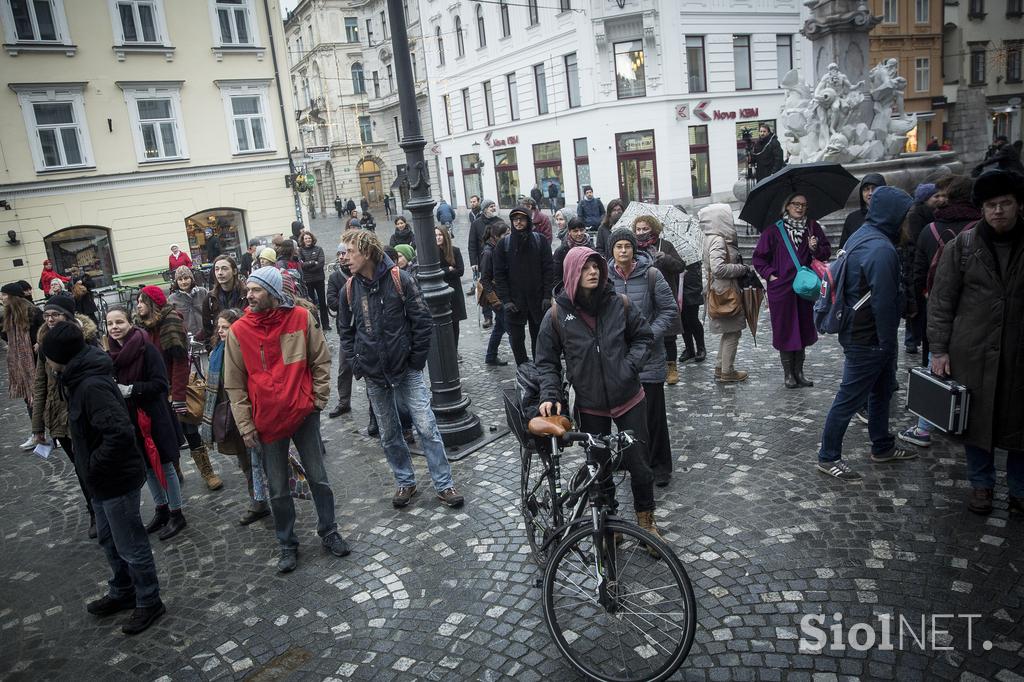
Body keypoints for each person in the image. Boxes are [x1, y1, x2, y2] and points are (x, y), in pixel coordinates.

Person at [41, 321, 165, 635]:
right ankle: (123, 590)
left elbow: (118, 433)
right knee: (110, 541)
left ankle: (149, 600)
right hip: (98, 481)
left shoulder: (91, 385)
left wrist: (94, 465)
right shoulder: (76, 377)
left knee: (130, 543)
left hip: (114, 478)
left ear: (61, 357)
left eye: (48, 356)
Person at [224, 266, 350, 573]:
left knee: (319, 478)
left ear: (273, 291)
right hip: (266, 423)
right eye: (248, 290)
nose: (248, 295)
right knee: (278, 489)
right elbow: (235, 384)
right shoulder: (239, 331)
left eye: (255, 290)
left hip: (302, 415)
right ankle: (286, 544)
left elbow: (320, 360)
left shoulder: (300, 319)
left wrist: (317, 400)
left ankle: (329, 530)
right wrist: (245, 425)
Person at [535, 247, 662, 539]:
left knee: (639, 465)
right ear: (571, 273)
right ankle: (610, 520)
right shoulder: (556, 315)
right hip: (591, 406)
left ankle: (646, 521)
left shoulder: (621, 304)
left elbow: (643, 336)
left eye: (596, 266)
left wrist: (629, 365)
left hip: (629, 398)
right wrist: (550, 393)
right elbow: (546, 360)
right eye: (585, 268)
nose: (593, 272)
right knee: (599, 468)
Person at [338, 230, 465, 510]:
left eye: (350, 251)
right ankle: (405, 481)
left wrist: (415, 361)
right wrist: (359, 364)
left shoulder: (401, 279)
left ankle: (444, 485)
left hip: (406, 370)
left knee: (426, 427)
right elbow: (345, 333)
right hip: (374, 374)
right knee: (388, 432)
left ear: (367, 251)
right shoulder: (348, 288)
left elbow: (422, 321)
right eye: (344, 252)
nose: (345, 257)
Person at [927, 170, 1024, 514]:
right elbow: (941, 300)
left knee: (1019, 426)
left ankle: (1019, 490)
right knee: (976, 422)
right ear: (981, 209)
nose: (998, 211)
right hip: (973, 350)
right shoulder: (963, 246)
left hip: (1017, 350)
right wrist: (938, 350)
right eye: (991, 205)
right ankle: (981, 485)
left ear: (1017, 205)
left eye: (1005, 204)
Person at [816, 186, 918, 481]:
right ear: (894, 217)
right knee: (849, 398)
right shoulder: (881, 250)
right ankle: (828, 456)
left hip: (860, 331)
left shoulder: (863, 234)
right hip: (869, 337)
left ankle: (882, 446)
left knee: (881, 392)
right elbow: (884, 303)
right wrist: (887, 344)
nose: (909, 224)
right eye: (906, 217)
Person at [898, 175, 980, 448]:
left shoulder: (929, 230)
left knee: (935, 363)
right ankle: (970, 423)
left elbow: (918, 274)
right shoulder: (980, 229)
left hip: (936, 308)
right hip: (977, 313)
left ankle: (924, 427)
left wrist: (920, 303)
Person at [106, 305, 190, 540]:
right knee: (146, 466)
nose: (115, 328)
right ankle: (161, 508)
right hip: (132, 420)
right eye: (110, 323)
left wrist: (131, 389)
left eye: (119, 322)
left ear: (129, 322)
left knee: (164, 464)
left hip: (155, 416)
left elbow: (161, 384)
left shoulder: (146, 348)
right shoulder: (111, 353)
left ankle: (177, 513)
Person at [607, 228, 677, 487]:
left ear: (633, 249)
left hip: (649, 356)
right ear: (612, 250)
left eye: (627, 246)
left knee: (653, 415)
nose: (623, 251)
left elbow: (669, 310)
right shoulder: (606, 277)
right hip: (620, 359)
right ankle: (632, 458)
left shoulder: (651, 275)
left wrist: (648, 334)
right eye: (618, 246)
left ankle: (660, 465)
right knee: (625, 414)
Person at [136, 285, 223, 491]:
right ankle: (175, 470)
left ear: (152, 304)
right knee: (165, 432)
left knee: (190, 430)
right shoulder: (143, 326)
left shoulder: (171, 322)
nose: (138, 305)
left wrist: (178, 395)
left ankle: (207, 471)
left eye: (142, 301)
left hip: (175, 386)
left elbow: (179, 362)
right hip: (155, 388)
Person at [31, 294, 97, 537]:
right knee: (79, 467)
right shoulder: (43, 342)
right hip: (59, 416)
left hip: (85, 412)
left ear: (67, 316)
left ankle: (106, 507)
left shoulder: (85, 339)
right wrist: (37, 424)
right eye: (46, 315)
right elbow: (39, 383)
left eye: (54, 315)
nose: (49, 319)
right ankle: (94, 512)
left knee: (93, 463)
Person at [752, 193, 831, 388]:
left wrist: (815, 248)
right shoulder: (773, 231)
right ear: (786, 206)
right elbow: (759, 258)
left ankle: (799, 372)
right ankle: (788, 374)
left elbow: (825, 252)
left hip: (804, 289)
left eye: (803, 205)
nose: (799, 208)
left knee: (803, 328)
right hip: (782, 290)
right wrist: (771, 276)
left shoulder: (812, 228)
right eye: (795, 204)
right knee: (785, 329)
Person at [204, 308, 270, 525]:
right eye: (219, 328)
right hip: (230, 416)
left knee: (264, 461)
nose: (221, 331)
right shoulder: (216, 353)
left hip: (250, 413)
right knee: (246, 463)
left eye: (226, 327)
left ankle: (272, 499)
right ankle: (258, 502)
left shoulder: (246, 348)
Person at [492, 206, 554, 365]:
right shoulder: (503, 245)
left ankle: (540, 368)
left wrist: (547, 295)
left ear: (528, 220)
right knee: (517, 339)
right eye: (515, 219)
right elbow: (499, 275)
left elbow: (548, 269)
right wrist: (506, 300)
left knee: (539, 337)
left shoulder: (540, 241)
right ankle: (523, 368)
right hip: (515, 301)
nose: (518, 222)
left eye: (522, 219)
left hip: (538, 299)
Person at [632, 215, 690, 384]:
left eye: (645, 229)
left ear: (654, 229)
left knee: (669, 336)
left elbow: (680, 266)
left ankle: (671, 367)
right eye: (638, 229)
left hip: (664, 296)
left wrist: (665, 258)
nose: (641, 232)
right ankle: (649, 367)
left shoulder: (665, 245)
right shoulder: (634, 247)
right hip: (643, 297)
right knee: (647, 334)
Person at [701, 204, 753, 383]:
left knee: (729, 331)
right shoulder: (717, 240)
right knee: (733, 332)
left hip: (721, 289)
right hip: (726, 292)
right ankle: (727, 371)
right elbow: (718, 268)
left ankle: (719, 367)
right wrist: (741, 268)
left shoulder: (711, 238)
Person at [901, 182, 943, 354]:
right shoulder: (916, 215)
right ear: (926, 199)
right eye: (936, 196)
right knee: (915, 305)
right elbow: (915, 243)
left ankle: (916, 339)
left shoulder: (935, 213)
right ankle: (912, 340)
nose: (940, 199)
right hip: (915, 264)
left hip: (924, 263)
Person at [2, 281, 43, 449]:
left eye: (4, 295)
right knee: (30, 399)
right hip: (22, 365)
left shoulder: (32, 311)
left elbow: (44, 330)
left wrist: (40, 342)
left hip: (37, 361)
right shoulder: (8, 315)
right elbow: (5, 335)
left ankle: (50, 433)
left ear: (13, 297)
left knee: (41, 398)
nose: (2, 298)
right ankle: (37, 434)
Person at [325, 244, 354, 418]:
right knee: (344, 368)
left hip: (364, 328)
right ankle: (344, 402)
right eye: (340, 254)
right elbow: (332, 302)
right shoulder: (336, 277)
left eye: (345, 253)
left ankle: (374, 407)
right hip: (345, 330)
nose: (342, 257)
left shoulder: (361, 271)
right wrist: (350, 297)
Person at [479, 220, 510, 366]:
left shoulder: (500, 247)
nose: (509, 237)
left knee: (500, 327)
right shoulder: (488, 252)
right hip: (496, 297)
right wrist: (494, 300)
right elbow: (485, 279)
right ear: (497, 236)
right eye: (506, 234)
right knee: (511, 328)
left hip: (502, 294)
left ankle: (490, 356)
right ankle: (522, 359)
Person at [468, 199, 501, 326]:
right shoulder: (476, 224)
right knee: (484, 288)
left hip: (498, 260)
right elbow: (472, 244)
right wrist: (473, 262)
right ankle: (487, 316)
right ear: (485, 209)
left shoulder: (499, 221)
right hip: (483, 261)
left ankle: (500, 313)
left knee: (498, 287)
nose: (493, 208)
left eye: (494, 206)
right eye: (491, 206)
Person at [435, 227, 467, 356]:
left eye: (440, 235)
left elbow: (460, 271)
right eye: (435, 235)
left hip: (454, 291)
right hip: (438, 291)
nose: (437, 237)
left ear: (445, 236)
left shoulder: (455, 251)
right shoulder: (431, 253)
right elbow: (433, 272)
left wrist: (444, 271)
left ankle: (455, 349)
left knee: (455, 322)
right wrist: (448, 269)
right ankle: (444, 350)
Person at [203, 255, 246, 340]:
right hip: (220, 346)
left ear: (234, 271)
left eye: (224, 268)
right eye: (217, 269)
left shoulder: (246, 295)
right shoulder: (210, 298)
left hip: (244, 343)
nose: (220, 273)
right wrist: (211, 349)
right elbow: (207, 329)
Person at [840, 173, 886, 249]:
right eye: (866, 189)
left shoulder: (890, 216)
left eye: (874, 188)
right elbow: (843, 249)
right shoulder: (852, 219)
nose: (870, 193)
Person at [168, 266, 209, 342]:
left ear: (192, 279)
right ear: (176, 282)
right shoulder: (172, 299)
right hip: (187, 338)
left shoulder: (203, 292)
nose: (183, 282)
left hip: (206, 335)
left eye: (186, 278)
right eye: (180, 279)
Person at [299, 230, 329, 328]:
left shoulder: (319, 249)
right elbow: (301, 265)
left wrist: (309, 266)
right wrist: (313, 262)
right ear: (303, 240)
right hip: (308, 281)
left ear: (312, 239)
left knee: (322, 302)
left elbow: (321, 263)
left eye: (309, 238)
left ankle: (326, 324)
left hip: (319, 279)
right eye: (306, 238)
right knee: (311, 304)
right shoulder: (300, 251)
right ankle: (315, 325)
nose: (308, 240)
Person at [553, 218, 592, 292]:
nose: (579, 234)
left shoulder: (591, 247)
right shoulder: (561, 251)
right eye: (575, 231)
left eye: (581, 230)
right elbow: (557, 275)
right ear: (569, 232)